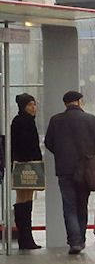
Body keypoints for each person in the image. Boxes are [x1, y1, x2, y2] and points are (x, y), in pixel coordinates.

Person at [44, 90, 95, 255]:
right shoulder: (91, 119)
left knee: (69, 206)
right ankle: (81, 239)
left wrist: (61, 154)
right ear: (79, 101)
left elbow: (48, 142)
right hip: (85, 170)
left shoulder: (56, 120)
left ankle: (74, 242)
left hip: (64, 169)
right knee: (82, 205)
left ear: (65, 103)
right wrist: (88, 154)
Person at [11, 93, 42, 250]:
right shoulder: (25, 122)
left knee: (22, 198)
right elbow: (26, 145)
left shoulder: (19, 120)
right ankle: (25, 237)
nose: (33, 108)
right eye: (30, 105)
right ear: (23, 106)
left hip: (20, 165)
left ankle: (25, 237)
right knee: (25, 198)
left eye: (34, 104)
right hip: (26, 166)